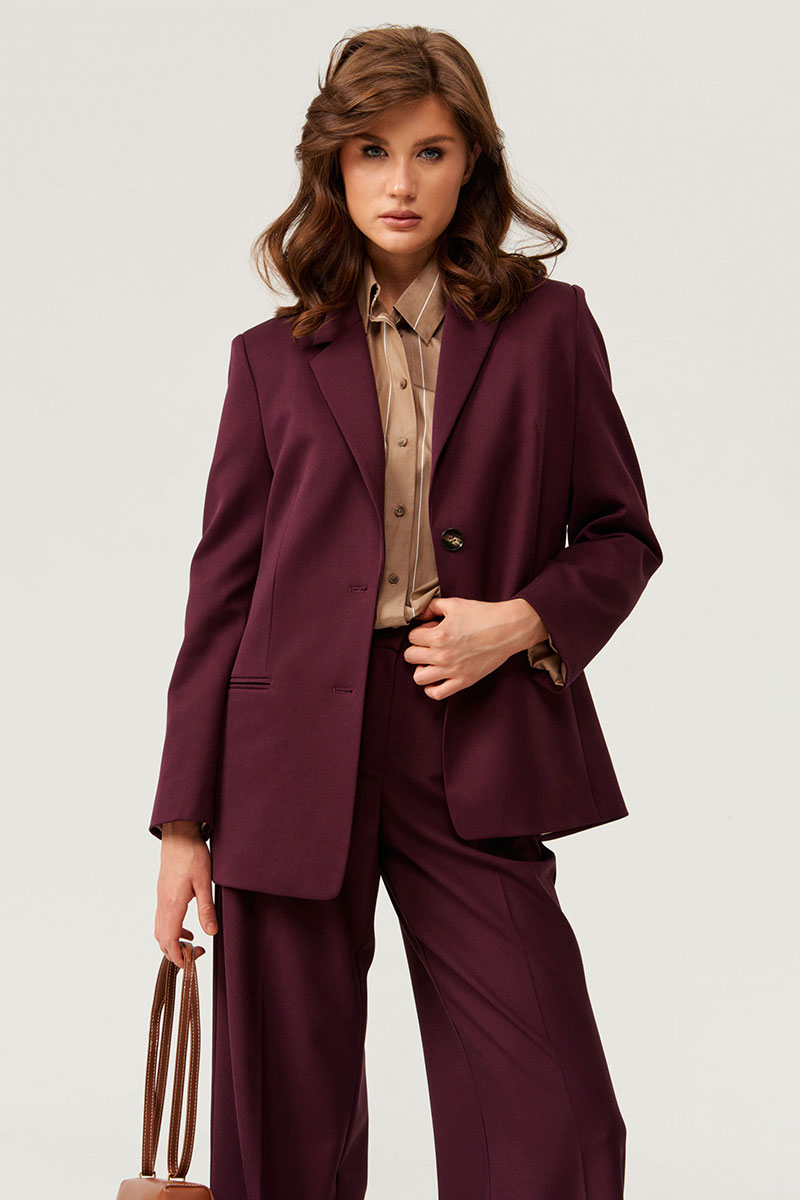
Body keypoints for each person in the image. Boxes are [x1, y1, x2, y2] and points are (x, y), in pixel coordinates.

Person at [149, 23, 662, 1200]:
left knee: (553, 1121)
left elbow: (620, 535)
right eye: (371, 151)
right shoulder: (269, 360)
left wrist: (518, 620)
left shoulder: (548, 330)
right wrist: (182, 823)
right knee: (283, 1127)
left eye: (430, 151)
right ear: (331, 166)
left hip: (470, 729)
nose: (399, 181)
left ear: (470, 163)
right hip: (285, 755)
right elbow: (221, 593)